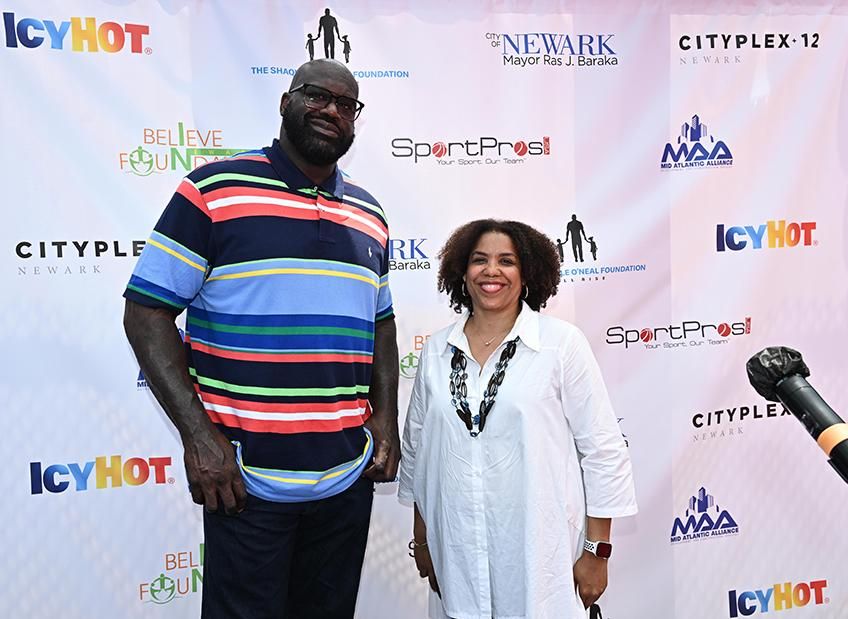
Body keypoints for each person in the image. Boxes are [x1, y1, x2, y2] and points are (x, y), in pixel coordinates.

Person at [123, 59, 399, 619]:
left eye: (347, 106)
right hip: (246, 482)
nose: (332, 112)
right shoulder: (213, 190)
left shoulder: (371, 213)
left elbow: (383, 323)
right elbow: (146, 312)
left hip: (346, 481)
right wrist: (199, 437)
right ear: (285, 102)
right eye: (317, 96)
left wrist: (387, 417)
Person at [398, 220, 636, 618]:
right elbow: (419, 452)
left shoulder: (561, 345)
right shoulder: (436, 351)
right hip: (456, 557)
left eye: (506, 261)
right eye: (480, 261)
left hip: (540, 562)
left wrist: (597, 551)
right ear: (462, 272)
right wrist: (423, 542)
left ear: (526, 273)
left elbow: (603, 451)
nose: (492, 271)